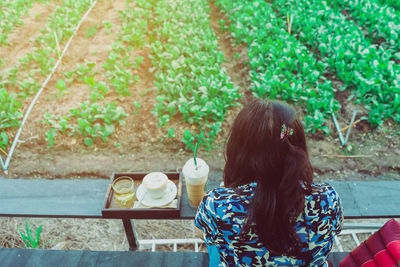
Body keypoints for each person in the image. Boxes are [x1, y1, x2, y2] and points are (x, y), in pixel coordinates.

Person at [195, 98, 343, 266]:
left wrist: (228, 194)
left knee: (215, 246)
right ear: (298, 150)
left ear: (238, 151)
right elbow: (338, 227)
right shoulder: (328, 199)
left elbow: (201, 232)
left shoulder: (217, 204)